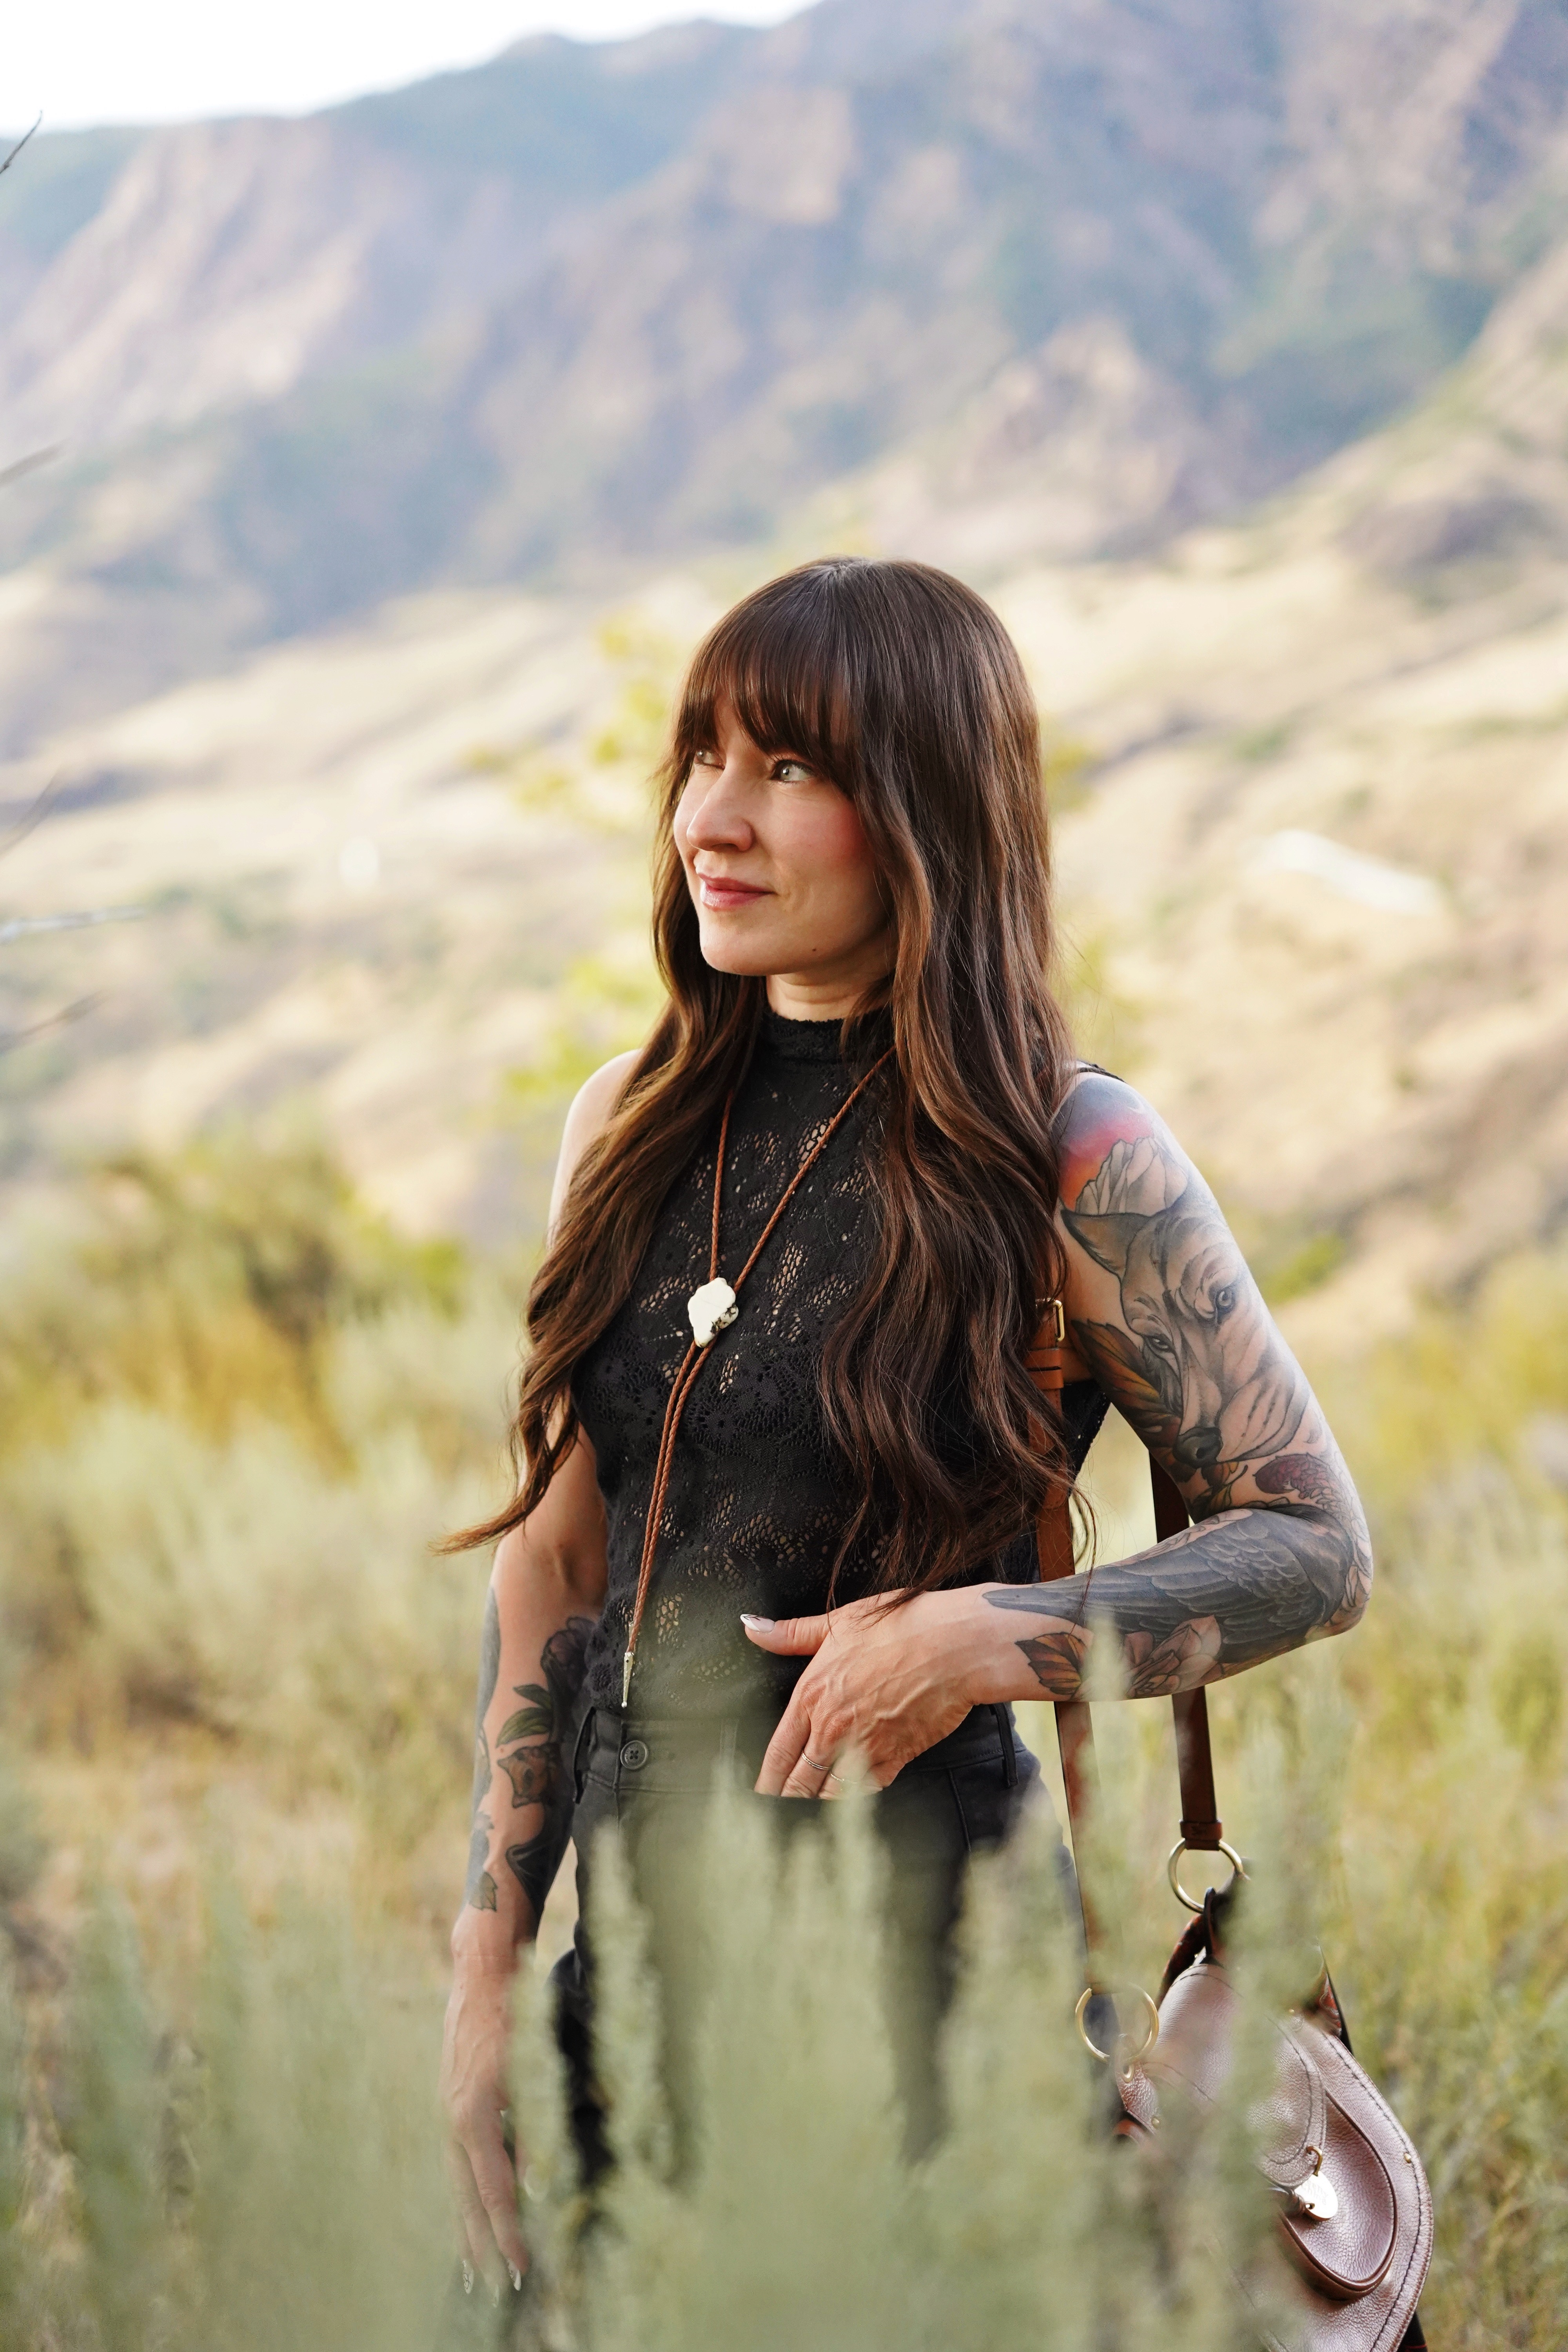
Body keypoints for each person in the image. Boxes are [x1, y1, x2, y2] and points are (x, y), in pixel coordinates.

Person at [438, 556, 1372, 2293]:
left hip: (942, 2017)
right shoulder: (625, 1123)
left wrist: (972, 1640)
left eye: (789, 768)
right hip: (625, 1999)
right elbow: (561, 1565)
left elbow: (1316, 1547)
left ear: (929, 815)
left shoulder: (1070, 1155)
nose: (711, 820)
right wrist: (487, 1979)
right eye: (702, 757)